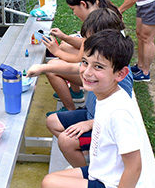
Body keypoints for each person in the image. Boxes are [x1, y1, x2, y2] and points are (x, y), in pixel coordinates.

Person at [31, 29, 143, 188]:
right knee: (58, 178)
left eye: (99, 67)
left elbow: (134, 167)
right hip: (102, 177)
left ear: (121, 73)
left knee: (49, 185)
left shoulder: (119, 112)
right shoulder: (105, 95)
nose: (87, 72)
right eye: (85, 62)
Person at [45, 15, 133, 167]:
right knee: (52, 121)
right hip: (91, 114)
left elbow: (118, 113)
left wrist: (89, 124)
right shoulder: (99, 61)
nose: (84, 43)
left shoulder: (120, 77)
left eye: (88, 39)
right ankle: (87, 153)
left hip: (102, 127)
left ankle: (88, 170)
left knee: (66, 141)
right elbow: (75, 68)